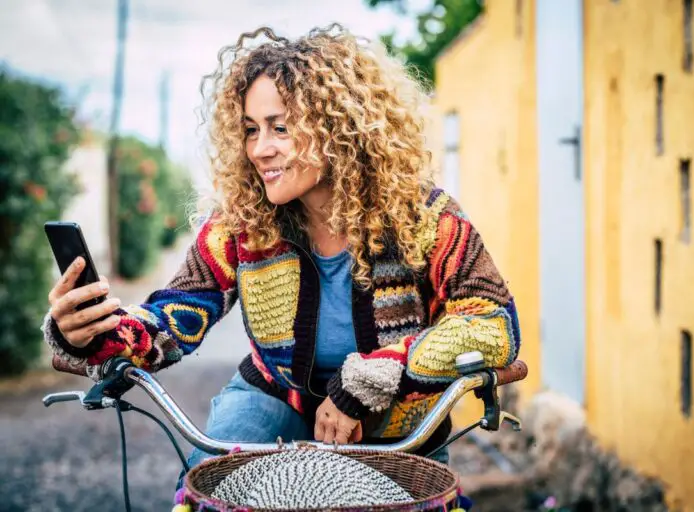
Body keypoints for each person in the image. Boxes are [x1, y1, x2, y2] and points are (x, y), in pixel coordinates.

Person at [42, 24, 521, 473]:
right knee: (210, 487)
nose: (260, 149)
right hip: (275, 398)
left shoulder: (424, 217)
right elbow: (175, 316)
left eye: (281, 127)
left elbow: (493, 325)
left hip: (399, 418)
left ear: (341, 129)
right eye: (251, 129)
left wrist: (369, 379)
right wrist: (90, 333)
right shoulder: (240, 225)